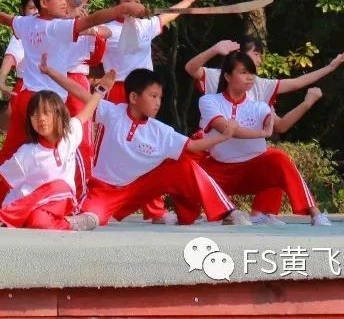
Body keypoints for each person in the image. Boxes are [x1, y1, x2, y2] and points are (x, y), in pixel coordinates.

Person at [0, 0, 145, 210]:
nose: (66, 2)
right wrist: (123, 8)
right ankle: (64, 202)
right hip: (48, 106)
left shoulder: (27, 22)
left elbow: (3, 18)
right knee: (61, 155)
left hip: (27, 98)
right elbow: (94, 20)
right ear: (44, 2)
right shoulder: (58, 27)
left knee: (9, 155)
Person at [48, 67, 251, 227]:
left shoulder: (161, 130)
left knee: (183, 165)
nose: (158, 102)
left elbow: (194, 146)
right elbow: (78, 92)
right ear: (134, 98)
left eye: (160, 97)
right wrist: (49, 71)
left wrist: (224, 136)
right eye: (153, 96)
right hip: (104, 190)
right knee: (90, 219)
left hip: (139, 188)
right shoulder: (112, 113)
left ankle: (227, 212)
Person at [0, 57, 115, 231]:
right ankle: (71, 224)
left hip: (59, 201)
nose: (41, 119)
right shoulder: (28, 153)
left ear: (59, 115)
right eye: (35, 115)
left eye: (46, 113)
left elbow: (87, 110)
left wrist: (101, 89)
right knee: (38, 222)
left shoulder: (70, 134)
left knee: (61, 186)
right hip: (27, 207)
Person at [196, 51, 331, 226]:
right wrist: (262, 133)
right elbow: (227, 129)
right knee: (189, 166)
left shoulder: (259, 106)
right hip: (219, 172)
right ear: (228, 76)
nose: (250, 77)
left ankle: (313, 214)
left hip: (253, 172)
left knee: (277, 158)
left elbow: (280, 125)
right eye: (243, 72)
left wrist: (306, 103)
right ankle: (221, 213)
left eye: (252, 73)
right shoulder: (209, 101)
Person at [100, 0, 204, 104]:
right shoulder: (105, 29)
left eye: (137, 1)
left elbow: (168, 15)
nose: (133, 5)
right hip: (118, 89)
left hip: (145, 89)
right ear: (116, 5)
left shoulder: (145, 26)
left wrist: (187, 1)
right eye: (128, 1)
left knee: (145, 122)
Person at [185, 37, 344, 104]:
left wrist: (330, 67)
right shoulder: (216, 76)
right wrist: (214, 49)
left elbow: (296, 83)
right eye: (256, 54)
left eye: (261, 56)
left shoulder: (261, 84)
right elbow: (190, 68)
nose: (259, 61)